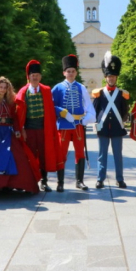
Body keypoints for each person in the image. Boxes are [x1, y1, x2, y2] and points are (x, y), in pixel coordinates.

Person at [15, 60, 63, 192]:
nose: (35, 77)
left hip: (43, 129)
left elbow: (50, 111)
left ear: (40, 77)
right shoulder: (23, 92)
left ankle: (44, 181)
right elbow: (19, 113)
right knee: (28, 156)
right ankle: (28, 181)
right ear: (28, 77)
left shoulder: (47, 90)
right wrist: (22, 129)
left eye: (37, 75)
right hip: (29, 129)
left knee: (43, 155)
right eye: (32, 75)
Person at [52, 55, 96, 192]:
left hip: (78, 126)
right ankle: (60, 182)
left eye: (73, 71)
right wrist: (62, 112)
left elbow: (88, 106)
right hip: (64, 126)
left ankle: (79, 181)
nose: (70, 73)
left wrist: (85, 119)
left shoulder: (81, 87)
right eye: (68, 71)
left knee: (80, 153)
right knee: (61, 154)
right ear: (64, 73)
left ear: (76, 72)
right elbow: (51, 105)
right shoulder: (57, 88)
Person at [92, 52, 129, 189]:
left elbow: (125, 110)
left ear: (116, 77)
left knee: (118, 156)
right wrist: (96, 124)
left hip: (117, 129)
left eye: (113, 76)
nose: (111, 78)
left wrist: (124, 120)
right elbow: (95, 110)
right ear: (106, 77)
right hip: (103, 128)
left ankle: (119, 179)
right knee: (102, 156)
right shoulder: (99, 93)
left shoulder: (122, 94)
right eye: (109, 76)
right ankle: (100, 179)